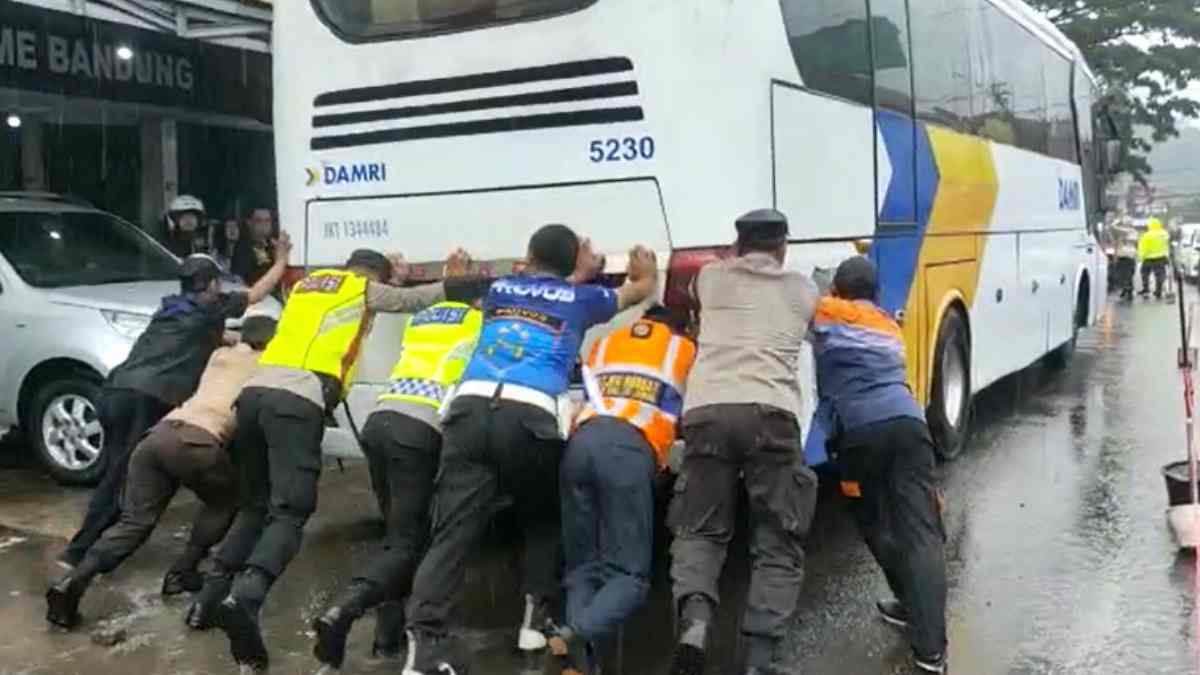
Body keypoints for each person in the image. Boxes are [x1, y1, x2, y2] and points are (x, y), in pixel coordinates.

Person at [202, 247, 487, 671]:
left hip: (254, 394)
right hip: (298, 399)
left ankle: (213, 598)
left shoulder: (304, 287)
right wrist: (469, 282)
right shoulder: (362, 289)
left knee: (254, 506)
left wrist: (396, 276)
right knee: (291, 511)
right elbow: (412, 300)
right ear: (375, 275)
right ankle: (247, 596)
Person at [401, 226, 659, 675]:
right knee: (542, 520)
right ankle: (533, 621)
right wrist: (643, 272)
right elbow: (636, 291)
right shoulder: (584, 299)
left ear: (527, 255)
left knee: (451, 533)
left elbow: (532, 297)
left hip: (469, 409)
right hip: (530, 417)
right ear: (573, 263)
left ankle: (423, 654)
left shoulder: (497, 290)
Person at [58, 239, 290, 572]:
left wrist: (246, 344)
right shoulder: (212, 306)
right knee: (121, 480)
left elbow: (208, 337)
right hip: (146, 396)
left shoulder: (171, 308)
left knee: (118, 472)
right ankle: (78, 556)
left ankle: (92, 545)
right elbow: (255, 294)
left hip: (115, 390)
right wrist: (281, 260)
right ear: (211, 285)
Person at [45, 315, 279, 630]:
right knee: (226, 501)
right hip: (198, 441)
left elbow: (231, 340)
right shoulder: (267, 368)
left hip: (158, 436)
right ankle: (182, 572)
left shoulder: (220, 356)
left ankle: (72, 582)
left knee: (134, 522)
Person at [666, 209, 819, 675]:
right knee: (777, 538)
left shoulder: (711, 279)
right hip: (771, 414)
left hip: (708, 410)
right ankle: (759, 659)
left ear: (737, 245)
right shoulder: (803, 290)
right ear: (783, 247)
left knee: (700, 529)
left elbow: (687, 290)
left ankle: (694, 624)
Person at [311, 286, 485, 669]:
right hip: (419, 428)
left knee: (396, 538)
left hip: (380, 421)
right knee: (410, 544)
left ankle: (386, 640)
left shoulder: (422, 320)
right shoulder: (479, 322)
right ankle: (345, 608)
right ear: (477, 302)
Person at [810, 256, 948, 674]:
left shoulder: (829, 314)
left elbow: (802, 302)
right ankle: (931, 650)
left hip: (861, 435)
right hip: (911, 426)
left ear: (838, 290)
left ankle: (909, 601)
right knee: (922, 532)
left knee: (873, 520)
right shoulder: (889, 326)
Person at [547, 305, 696, 675]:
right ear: (678, 326)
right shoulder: (683, 349)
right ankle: (571, 633)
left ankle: (578, 669)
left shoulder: (605, 344)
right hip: (627, 450)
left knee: (583, 569)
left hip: (581, 445)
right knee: (628, 578)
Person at [232, 207, 277, 286]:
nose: (264, 225)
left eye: (267, 221)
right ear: (249, 222)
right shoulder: (243, 248)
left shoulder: (273, 245)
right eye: (259, 221)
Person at [1139, 217, 1171, 299]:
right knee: (1160, 275)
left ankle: (1146, 289)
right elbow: (1167, 244)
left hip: (1148, 258)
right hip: (1161, 258)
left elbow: (1143, 247)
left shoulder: (1147, 235)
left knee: (1144, 274)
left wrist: (1141, 257)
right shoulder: (1164, 234)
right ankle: (1158, 291)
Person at [1114, 226, 1138, 301]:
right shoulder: (1134, 234)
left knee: (1123, 275)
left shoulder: (1125, 233)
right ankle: (1127, 290)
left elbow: (1115, 228)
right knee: (1128, 275)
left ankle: (1127, 290)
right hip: (1130, 257)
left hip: (1124, 257)